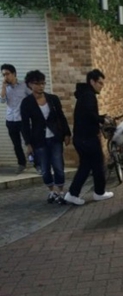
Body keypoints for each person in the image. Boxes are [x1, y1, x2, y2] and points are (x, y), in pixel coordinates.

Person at [21, 70, 71, 204]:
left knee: (58, 166)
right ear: (30, 84)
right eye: (37, 84)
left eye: (43, 83)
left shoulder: (53, 99)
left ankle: (60, 192)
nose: (41, 86)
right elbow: (25, 125)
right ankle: (51, 191)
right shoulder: (26, 102)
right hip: (38, 140)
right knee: (44, 169)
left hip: (55, 138)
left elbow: (61, 117)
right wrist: (28, 144)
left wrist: (67, 133)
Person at [64, 69, 113, 206]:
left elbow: (88, 114)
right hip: (87, 138)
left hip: (82, 138)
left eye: (102, 84)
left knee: (86, 166)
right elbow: (90, 115)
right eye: (99, 83)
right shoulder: (88, 96)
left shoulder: (85, 94)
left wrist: (101, 118)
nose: (101, 86)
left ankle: (73, 194)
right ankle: (99, 192)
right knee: (97, 164)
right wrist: (102, 120)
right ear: (92, 81)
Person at [1, 64, 31, 173]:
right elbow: (2, 100)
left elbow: (32, 98)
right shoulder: (5, 88)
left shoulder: (24, 86)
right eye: (3, 75)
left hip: (22, 120)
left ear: (14, 74)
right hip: (10, 120)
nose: (5, 77)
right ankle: (21, 164)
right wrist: (3, 87)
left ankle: (37, 164)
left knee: (29, 143)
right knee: (16, 144)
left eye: (7, 74)